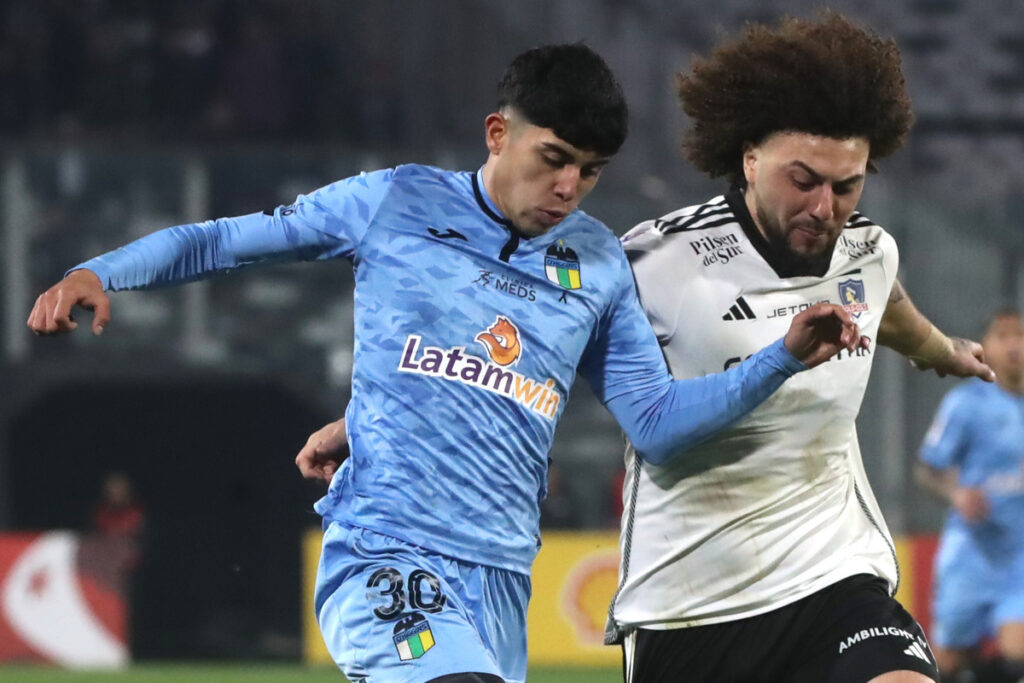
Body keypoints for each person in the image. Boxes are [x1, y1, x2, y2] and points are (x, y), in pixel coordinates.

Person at [28, 44, 863, 683]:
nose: (570, 187)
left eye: (591, 171)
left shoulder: (599, 263)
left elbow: (657, 424)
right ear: (499, 134)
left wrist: (780, 359)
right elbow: (227, 239)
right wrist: (102, 271)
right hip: (388, 550)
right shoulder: (397, 202)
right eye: (554, 159)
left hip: (502, 577)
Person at [604, 14, 995, 683]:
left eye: (847, 185)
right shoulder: (654, 263)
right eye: (804, 178)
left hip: (833, 578)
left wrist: (939, 348)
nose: (824, 206)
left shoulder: (868, 249)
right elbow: (634, 409)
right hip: (691, 607)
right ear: (750, 157)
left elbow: (886, 301)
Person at [917, 308, 1024, 683]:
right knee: (947, 663)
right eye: (1002, 335)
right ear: (985, 348)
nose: (1014, 344)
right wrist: (958, 493)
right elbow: (928, 467)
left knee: (1018, 654)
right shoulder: (966, 404)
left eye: (1020, 334)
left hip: (1019, 556)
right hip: (971, 551)